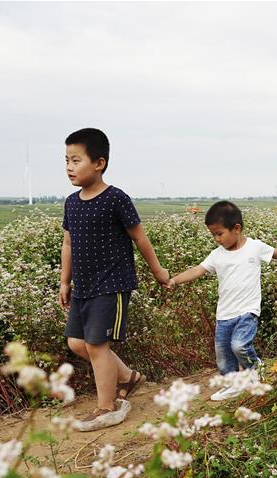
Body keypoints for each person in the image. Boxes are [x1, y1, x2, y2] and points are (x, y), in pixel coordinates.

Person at [59, 128, 170, 431]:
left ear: (99, 163)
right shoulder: (71, 202)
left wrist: (158, 271)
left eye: (76, 160)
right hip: (83, 286)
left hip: (112, 284)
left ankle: (107, 407)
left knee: (97, 345)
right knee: (77, 342)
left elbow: (139, 237)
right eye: (66, 160)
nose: (69, 167)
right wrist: (64, 281)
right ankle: (129, 377)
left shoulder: (115, 199)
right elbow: (68, 243)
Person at [166, 201, 277, 401]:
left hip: (247, 311)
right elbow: (198, 269)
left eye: (219, 234)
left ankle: (255, 368)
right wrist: (174, 280)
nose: (216, 239)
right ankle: (233, 385)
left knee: (239, 345)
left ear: (237, 228)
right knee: (223, 356)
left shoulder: (254, 247)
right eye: (213, 235)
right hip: (224, 315)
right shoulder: (217, 255)